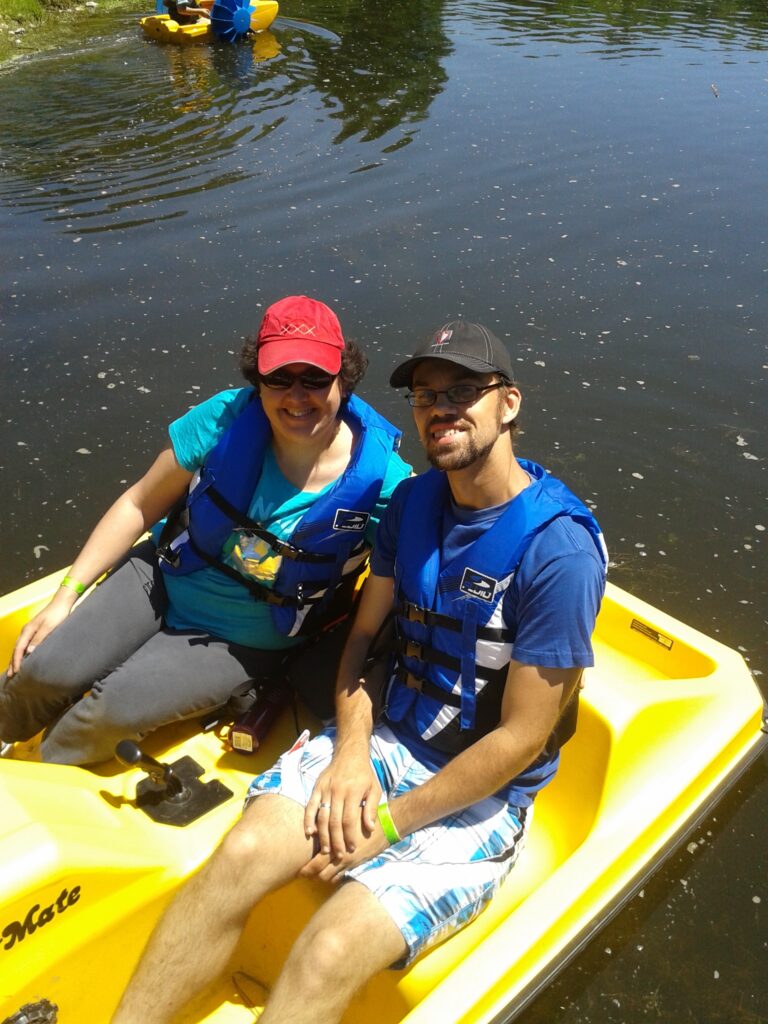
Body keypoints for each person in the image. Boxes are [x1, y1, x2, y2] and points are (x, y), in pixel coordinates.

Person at [111, 319, 607, 1024]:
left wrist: (392, 823)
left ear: (510, 403)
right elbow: (366, 639)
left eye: (465, 390)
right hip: (380, 743)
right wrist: (349, 754)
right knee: (241, 855)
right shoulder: (411, 504)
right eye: (427, 394)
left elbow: (524, 738)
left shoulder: (558, 551)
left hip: (479, 799)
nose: (442, 408)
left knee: (328, 948)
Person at [0, 295, 411, 765]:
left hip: (245, 639)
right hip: (161, 578)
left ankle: (33, 778)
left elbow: (404, 584)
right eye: (278, 378)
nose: (297, 396)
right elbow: (138, 502)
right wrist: (64, 597)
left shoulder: (384, 484)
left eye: (316, 378)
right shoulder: (223, 420)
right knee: (40, 671)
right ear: (258, 380)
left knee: (102, 716)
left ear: (345, 378)